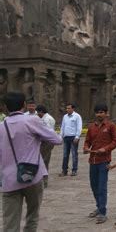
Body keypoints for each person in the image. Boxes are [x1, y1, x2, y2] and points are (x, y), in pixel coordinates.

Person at [0, 92, 62, 232]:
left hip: (9, 179)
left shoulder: (1, 126)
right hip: (33, 175)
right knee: (32, 216)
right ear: (24, 105)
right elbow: (57, 140)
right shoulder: (32, 121)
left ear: (5, 107)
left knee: (10, 221)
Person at [83, 104, 116, 224]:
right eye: (97, 112)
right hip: (92, 159)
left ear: (106, 113)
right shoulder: (91, 127)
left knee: (102, 187)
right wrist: (86, 147)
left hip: (104, 160)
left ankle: (103, 212)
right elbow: (87, 141)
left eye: (101, 112)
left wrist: (106, 149)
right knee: (94, 186)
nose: (99, 114)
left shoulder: (110, 126)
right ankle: (99, 207)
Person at [59, 103, 82, 177]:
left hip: (73, 138)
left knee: (74, 154)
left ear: (73, 109)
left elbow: (79, 126)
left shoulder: (77, 116)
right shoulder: (65, 116)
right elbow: (63, 127)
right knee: (65, 155)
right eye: (67, 108)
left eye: (69, 108)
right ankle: (64, 170)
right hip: (66, 137)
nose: (67, 110)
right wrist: (60, 136)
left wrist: (77, 136)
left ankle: (74, 170)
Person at [36, 105, 56, 188]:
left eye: (38, 112)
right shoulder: (47, 118)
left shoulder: (47, 119)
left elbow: (46, 132)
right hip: (46, 141)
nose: (37, 114)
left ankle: (44, 180)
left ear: (41, 111)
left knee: (44, 161)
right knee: (44, 160)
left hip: (47, 142)